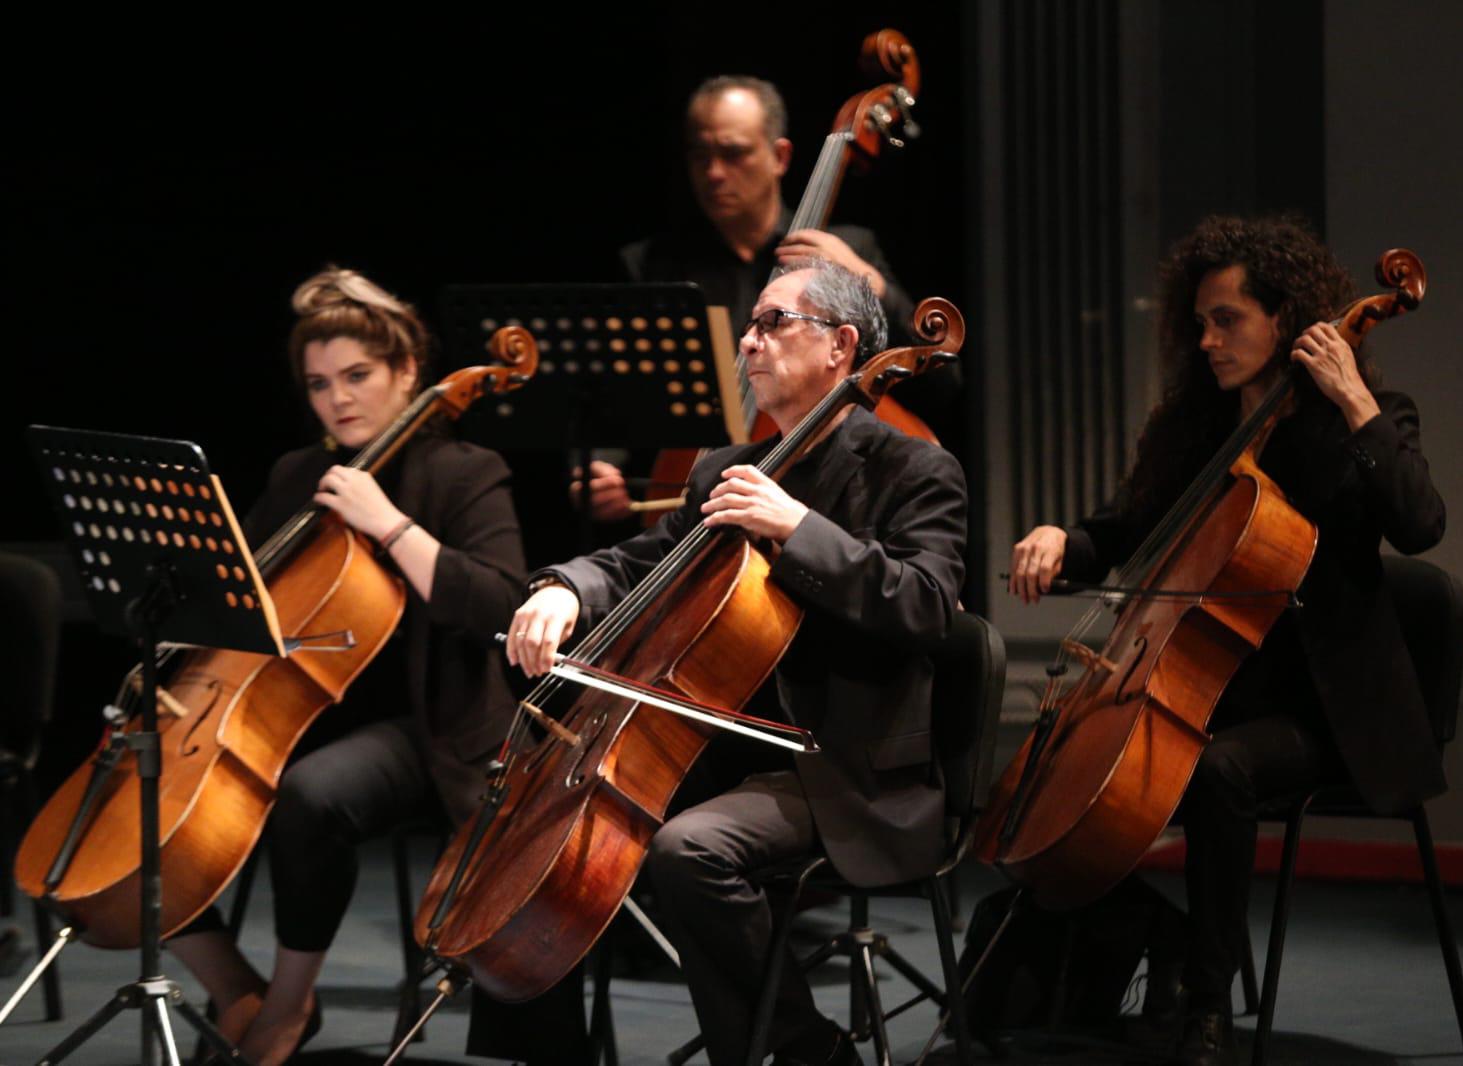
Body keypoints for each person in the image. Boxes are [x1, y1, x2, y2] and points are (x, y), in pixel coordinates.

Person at [1007, 215, 1447, 1066]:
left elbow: (1422, 524)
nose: (1206, 341)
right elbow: (1131, 526)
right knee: (1063, 778)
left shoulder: (1368, 419)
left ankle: (1208, 1008)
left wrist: (1353, 399)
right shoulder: (1198, 429)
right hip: (1209, 688)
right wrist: (1064, 539)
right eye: (1199, 322)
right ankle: (1159, 934)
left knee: (1214, 771)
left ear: (1285, 319)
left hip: (1322, 707)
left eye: (1226, 320)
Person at [505, 258, 967, 1066]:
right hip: (723, 747)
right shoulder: (724, 468)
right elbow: (645, 559)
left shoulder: (914, 468)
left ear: (840, 345)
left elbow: (928, 607)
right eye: (749, 327)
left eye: (772, 322)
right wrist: (564, 589)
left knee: (689, 850)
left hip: (841, 765)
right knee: (542, 814)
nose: (748, 342)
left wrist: (798, 528)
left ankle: (801, 1053)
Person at [164, 267, 532, 1066]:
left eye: (358, 376)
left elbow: (501, 603)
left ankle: (291, 1007)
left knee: (311, 796)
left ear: (407, 371)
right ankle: (233, 985)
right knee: (143, 786)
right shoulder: (301, 475)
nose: (339, 398)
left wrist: (391, 525)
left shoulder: (463, 471)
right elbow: (244, 596)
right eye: (320, 383)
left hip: (429, 722)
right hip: (301, 704)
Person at [583, 74, 956, 524]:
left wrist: (867, 280)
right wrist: (601, 466)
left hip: (824, 499)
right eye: (701, 156)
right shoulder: (651, 266)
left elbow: (942, 386)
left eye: (734, 153)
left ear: (780, 156)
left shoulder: (850, 249)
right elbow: (613, 391)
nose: (714, 173)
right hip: (685, 495)